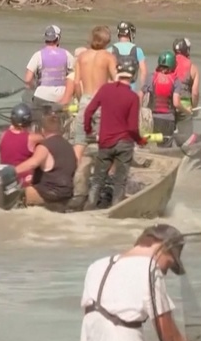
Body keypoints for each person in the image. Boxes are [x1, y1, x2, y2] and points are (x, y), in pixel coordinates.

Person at [84, 67, 149, 207]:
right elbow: (132, 128)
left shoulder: (106, 89)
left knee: (97, 180)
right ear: (133, 76)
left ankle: (88, 207)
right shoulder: (132, 97)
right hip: (125, 144)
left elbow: (88, 111)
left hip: (105, 142)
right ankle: (115, 210)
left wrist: (88, 130)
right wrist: (140, 140)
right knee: (120, 182)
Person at [72, 26, 117, 160]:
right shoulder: (108, 57)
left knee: (79, 143)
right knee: (107, 144)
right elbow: (117, 81)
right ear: (106, 41)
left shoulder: (82, 57)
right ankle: (106, 177)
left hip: (85, 101)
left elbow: (76, 83)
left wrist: (81, 100)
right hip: (102, 102)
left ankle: (73, 176)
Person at [14, 113, 78, 207]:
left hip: (48, 193)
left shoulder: (45, 146)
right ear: (59, 129)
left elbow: (33, 163)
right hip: (67, 193)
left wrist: (11, 171)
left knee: (14, 194)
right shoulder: (68, 146)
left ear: (42, 130)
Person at [141, 52, 187, 144]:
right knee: (165, 147)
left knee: (151, 144)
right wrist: (186, 110)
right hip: (168, 120)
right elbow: (176, 103)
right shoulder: (176, 80)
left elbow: (140, 95)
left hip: (152, 119)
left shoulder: (151, 77)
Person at [25, 25, 76, 107]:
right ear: (58, 38)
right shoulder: (67, 54)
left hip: (42, 94)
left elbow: (28, 79)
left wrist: (32, 87)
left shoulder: (38, 55)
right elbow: (76, 73)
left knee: (39, 119)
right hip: (61, 95)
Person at [0, 103, 43, 187]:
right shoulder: (32, 138)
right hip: (22, 179)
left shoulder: (3, 135)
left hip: (5, 177)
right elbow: (49, 138)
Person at [111, 21, 147, 94]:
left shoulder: (110, 50)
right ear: (131, 33)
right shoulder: (138, 50)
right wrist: (142, 90)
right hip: (131, 90)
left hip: (114, 89)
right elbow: (143, 72)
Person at [172, 38, 201, 110]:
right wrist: (194, 107)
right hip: (185, 105)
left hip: (170, 104)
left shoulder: (168, 64)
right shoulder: (193, 68)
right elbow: (195, 93)